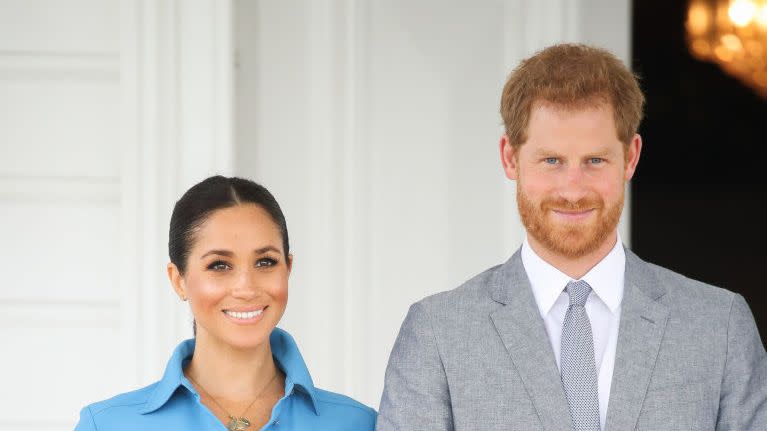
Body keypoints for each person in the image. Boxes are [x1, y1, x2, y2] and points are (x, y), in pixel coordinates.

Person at [376, 44, 767, 430]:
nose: (574, 189)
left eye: (595, 161)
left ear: (631, 157)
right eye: (552, 161)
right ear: (510, 157)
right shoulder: (438, 333)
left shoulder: (720, 327)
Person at [75, 176, 376, 430]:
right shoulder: (107, 425)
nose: (245, 288)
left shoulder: (360, 424)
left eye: (265, 262)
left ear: (289, 268)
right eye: (219, 265)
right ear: (178, 279)